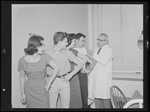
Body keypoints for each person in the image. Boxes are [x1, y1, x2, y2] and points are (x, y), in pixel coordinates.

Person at [18, 35, 60, 108]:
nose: (44, 48)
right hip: (29, 91)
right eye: (41, 46)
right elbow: (22, 77)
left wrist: (49, 83)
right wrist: (22, 93)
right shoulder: (22, 61)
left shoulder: (45, 56)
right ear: (34, 46)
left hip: (43, 90)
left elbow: (57, 68)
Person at [46, 32, 84, 108]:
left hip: (64, 81)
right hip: (52, 81)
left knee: (66, 106)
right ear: (60, 42)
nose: (67, 44)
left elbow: (80, 64)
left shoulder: (67, 52)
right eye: (65, 42)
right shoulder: (47, 53)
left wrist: (70, 75)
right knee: (52, 106)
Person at [87, 33, 113, 108]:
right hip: (96, 78)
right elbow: (94, 61)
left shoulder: (109, 50)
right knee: (97, 99)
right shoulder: (97, 49)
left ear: (106, 41)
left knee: (106, 100)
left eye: (101, 40)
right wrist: (89, 56)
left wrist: (94, 55)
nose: (98, 41)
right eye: (98, 39)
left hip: (104, 79)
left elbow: (103, 61)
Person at [66, 33, 89, 108]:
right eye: (74, 41)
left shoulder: (72, 50)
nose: (75, 43)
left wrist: (80, 67)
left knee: (81, 96)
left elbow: (85, 59)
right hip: (67, 76)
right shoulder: (64, 50)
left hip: (74, 74)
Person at [73, 33, 91, 108]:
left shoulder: (84, 50)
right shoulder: (72, 50)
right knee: (76, 96)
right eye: (82, 41)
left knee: (84, 95)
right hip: (74, 75)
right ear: (76, 41)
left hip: (82, 75)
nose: (84, 43)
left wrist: (88, 69)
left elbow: (90, 61)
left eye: (84, 41)